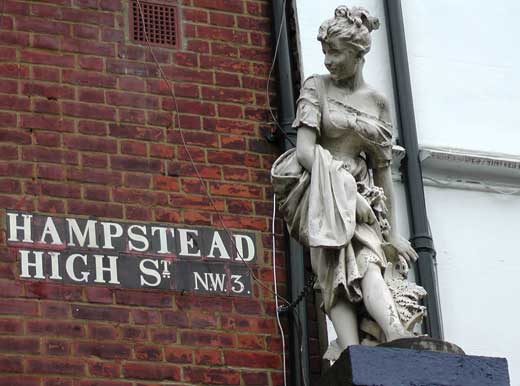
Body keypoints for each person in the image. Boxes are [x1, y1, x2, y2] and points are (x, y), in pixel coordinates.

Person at [271, 5, 420, 352]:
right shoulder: (315, 88)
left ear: (357, 53)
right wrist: (347, 195)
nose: (328, 61)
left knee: (369, 260)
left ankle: (395, 331)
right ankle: (350, 352)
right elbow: (306, 151)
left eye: (335, 52)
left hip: (365, 196)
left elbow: (383, 169)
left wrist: (391, 234)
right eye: (325, 52)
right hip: (323, 191)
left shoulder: (378, 103)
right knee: (331, 278)